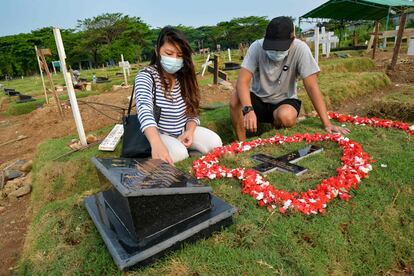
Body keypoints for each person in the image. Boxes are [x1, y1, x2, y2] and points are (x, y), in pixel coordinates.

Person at [230, 16, 349, 141]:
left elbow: (311, 86)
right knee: (234, 99)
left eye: (280, 47)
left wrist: (327, 123)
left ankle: (275, 127)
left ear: (292, 38)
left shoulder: (301, 49)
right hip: (259, 99)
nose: (275, 51)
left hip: (284, 100)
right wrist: (248, 110)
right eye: (272, 46)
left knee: (286, 117)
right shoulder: (256, 47)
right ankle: (241, 143)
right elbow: (242, 81)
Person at [135, 26, 222, 164]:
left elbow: (192, 112)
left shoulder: (184, 76)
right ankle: (148, 163)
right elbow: (144, 109)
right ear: (157, 51)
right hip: (159, 134)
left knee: (215, 143)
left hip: (182, 131)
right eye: (169, 53)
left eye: (180, 55)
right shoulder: (146, 76)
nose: (174, 59)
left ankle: (189, 151)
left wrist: (190, 131)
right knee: (179, 153)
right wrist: (156, 143)